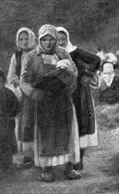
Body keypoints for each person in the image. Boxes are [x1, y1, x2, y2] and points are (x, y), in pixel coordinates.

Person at [20, 25, 81, 182]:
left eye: (51, 39)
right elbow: (24, 80)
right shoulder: (31, 56)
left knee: (67, 131)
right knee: (45, 134)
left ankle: (69, 167)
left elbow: (73, 72)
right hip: (43, 101)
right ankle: (47, 169)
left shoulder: (62, 53)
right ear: (40, 40)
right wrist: (35, 93)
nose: (48, 43)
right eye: (44, 40)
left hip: (62, 99)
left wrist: (69, 85)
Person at [56, 27, 101, 172]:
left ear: (67, 39)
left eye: (63, 39)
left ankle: (79, 160)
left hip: (78, 93)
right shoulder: (52, 54)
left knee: (81, 124)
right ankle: (66, 160)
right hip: (61, 94)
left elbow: (96, 59)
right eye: (57, 40)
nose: (61, 42)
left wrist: (87, 74)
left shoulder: (75, 52)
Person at [6, 27, 37, 168]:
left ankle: (37, 154)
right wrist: (16, 84)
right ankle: (25, 155)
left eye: (26, 39)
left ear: (32, 38)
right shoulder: (16, 56)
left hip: (34, 93)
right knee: (22, 124)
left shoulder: (38, 53)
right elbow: (11, 75)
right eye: (21, 39)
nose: (24, 42)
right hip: (20, 94)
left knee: (35, 122)